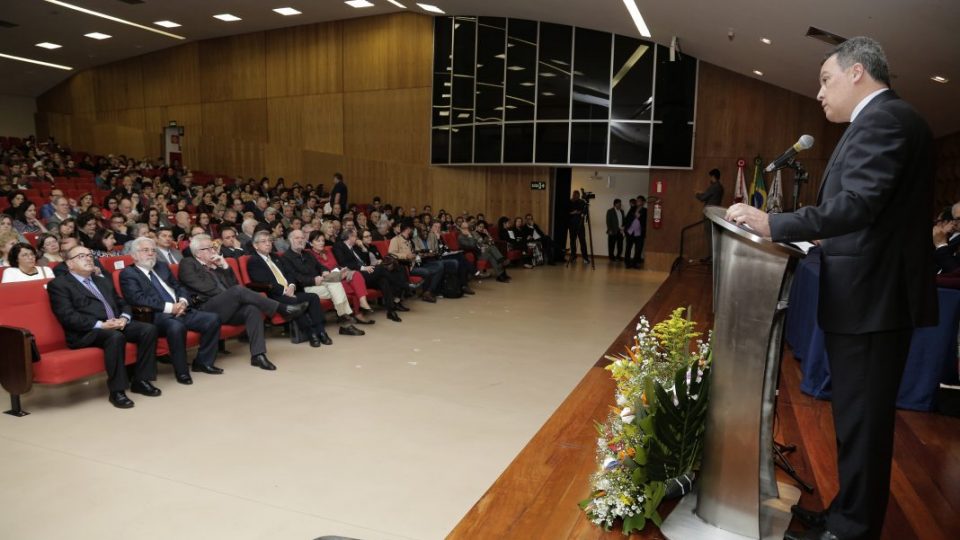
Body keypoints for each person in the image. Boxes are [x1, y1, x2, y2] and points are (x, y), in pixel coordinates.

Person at [726, 37, 937, 540]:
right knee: (856, 421)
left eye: (826, 79)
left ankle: (852, 529)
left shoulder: (885, 120)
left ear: (857, 72)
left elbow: (859, 204)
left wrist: (775, 224)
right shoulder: (881, 121)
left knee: (863, 425)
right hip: (871, 297)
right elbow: (872, 213)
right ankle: (849, 514)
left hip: (874, 300)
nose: (819, 93)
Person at [47, 245, 160, 409]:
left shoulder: (101, 280)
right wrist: (101, 325)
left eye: (89, 255)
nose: (87, 258)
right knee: (115, 337)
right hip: (86, 331)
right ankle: (117, 391)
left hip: (114, 324)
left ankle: (141, 380)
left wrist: (124, 318)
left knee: (148, 329)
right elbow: (67, 316)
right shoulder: (59, 285)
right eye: (81, 256)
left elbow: (122, 303)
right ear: (69, 264)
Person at [178, 234, 307, 371]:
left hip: (226, 307)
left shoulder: (217, 265)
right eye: (209, 248)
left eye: (213, 247)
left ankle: (258, 355)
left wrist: (224, 266)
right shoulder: (188, 263)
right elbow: (204, 288)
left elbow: (234, 284)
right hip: (205, 308)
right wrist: (230, 296)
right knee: (238, 292)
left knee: (252, 309)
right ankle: (282, 309)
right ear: (198, 253)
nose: (214, 250)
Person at [119, 237, 222, 384]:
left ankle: (203, 362)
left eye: (153, 250)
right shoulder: (128, 274)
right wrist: (170, 308)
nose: (150, 253)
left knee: (213, 319)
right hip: (156, 316)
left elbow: (179, 286)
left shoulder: (161, 266)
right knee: (176, 326)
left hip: (181, 309)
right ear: (134, 255)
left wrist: (182, 301)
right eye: (145, 250)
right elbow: (138, 299)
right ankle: (182, 372)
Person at [246, 230, 333, 347]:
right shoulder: (253, 261)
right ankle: (311, 332)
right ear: (255, 245)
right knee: (296, 302)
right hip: (274, 296)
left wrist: (291, 286)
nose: (268, 244)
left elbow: (289, 273)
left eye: (269, 241)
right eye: (263, 241)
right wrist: (284, 290)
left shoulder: (276, 257)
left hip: (290, 290)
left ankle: (321, 331)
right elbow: (263, 282)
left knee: (313, 297)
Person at [280, 229, 369, 335]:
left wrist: (324, 271)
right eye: (297, 238)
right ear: (290, 240)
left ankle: (345, 322)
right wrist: (312, 280)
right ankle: (345, 322)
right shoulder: (286, 257)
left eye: (302, 238)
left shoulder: (307, 254)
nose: (300, 240)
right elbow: (293, 276)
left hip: (321, 283)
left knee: (336, 286)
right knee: (337, 288)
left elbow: (320, 266)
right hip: (305, 287)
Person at [334, 229, 405, 322]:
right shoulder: (339, 246)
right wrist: (363, 268)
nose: (357, 238)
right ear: (350, 237)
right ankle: (403, 285)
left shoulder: (354, 247)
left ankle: (390, 311)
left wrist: (363, 247)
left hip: (365, 273)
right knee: (382, 268)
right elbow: (343, 263)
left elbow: (365, 261)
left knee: (383, 280)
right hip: (356, 275)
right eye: (355, 236)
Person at [307, 230, 378, 314]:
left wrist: (342, 271)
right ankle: (358, 313)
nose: (321, 243)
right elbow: (318, 273)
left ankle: (362, 304)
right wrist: (337, 273)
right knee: (355, 286)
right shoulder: (309, 255)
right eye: (318, 241)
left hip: (338, 276)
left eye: (322, 240)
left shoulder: (327, 251)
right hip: (329, 281)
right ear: (311, 243)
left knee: (356, 274)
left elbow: (336, 265)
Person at [390, 223, 443, 303]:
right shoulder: (395, 240)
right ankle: (427, 292)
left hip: (417, 263)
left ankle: (427, 292)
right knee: (427, 272)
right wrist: (406, 256)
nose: (414, 232)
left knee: (439, 266)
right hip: (407, 266)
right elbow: (391, 253)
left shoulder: (409, 240)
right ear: (408, 229)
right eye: (412, 230)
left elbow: (416, 252)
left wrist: (421, 254)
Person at [696, 168, 724, 252]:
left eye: (711, 177)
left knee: (710, 235)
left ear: (713, 176)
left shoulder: (714, 187)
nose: (710, 179)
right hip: (715, 213)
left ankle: (711, 257)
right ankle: (712, 257)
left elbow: (703, 198)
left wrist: (697, 194)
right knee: (713, 235)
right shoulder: (720, 187)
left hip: (710, 214)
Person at [624, 196, 647, 268]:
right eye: (637, 200)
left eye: (639, 200)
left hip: (639, 233)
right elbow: (627, 218)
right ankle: (627, 263)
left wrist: (639, 217)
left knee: (638, 249)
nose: (637, 201)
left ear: (643, 202)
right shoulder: (632, 209)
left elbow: (646, 222)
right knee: (628, 248)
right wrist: (625, 229)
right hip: (630, 232)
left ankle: (635, 263)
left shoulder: (646, 211)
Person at [567, 190, 589, 264]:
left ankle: (585, 257)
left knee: (582, 241)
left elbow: (585, 211)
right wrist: (573, 212)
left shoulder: (582, 202)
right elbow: (566, 212)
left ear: (579, 195)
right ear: (573, 195)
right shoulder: (569, 202)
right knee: (572, 241)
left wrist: (582, 213)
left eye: (577, 195)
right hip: (571, 225)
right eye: (574, 195)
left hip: (580, 225)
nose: (576, 196)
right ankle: (573, 256)